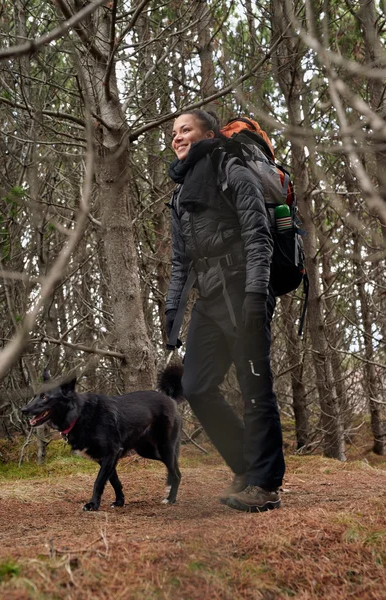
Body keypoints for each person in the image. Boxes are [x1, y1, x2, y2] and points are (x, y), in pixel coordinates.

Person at [165, 109, 285, 512]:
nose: (178, 138)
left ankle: (265, 484)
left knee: (255, 388)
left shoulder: (230, 168)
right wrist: (172, 314)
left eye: (186, 130)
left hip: (243, 290)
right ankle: (246, 466)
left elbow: (258, 234)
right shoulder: (181, 191)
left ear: (208, 134)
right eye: (174, 132)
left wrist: (255, 294)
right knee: (195, 385)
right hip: (210, 298)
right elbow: (182, 260)